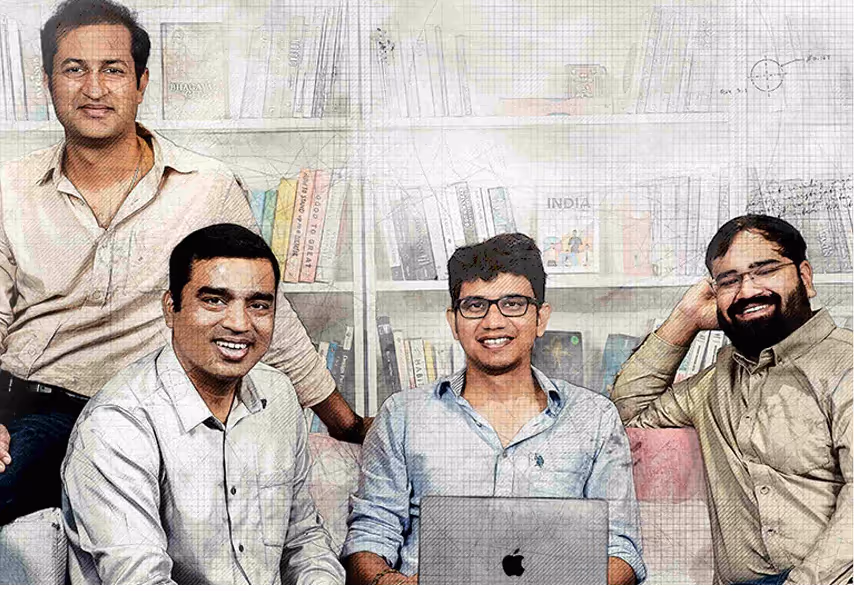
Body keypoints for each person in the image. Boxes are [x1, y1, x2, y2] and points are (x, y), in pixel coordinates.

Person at [0, 0, 367, 526]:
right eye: (74, 69)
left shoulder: (205, 188)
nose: (94, 89)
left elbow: (270, 314)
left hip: (158, 411)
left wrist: (344, 422)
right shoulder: (9, 188)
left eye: (113, 70)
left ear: (141, 83)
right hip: (38, 409)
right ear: (47, 82)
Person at [342, 233, 645, 584]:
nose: (493, 322)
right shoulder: (402, 415)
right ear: (453, 322)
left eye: (513, 304)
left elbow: (621, 550)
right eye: (475, 306)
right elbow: (370, 536)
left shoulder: (594, 418)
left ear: (541, 318)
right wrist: (389, 583)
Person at [61, 224, 345, 584]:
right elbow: (142, 582)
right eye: (214, 300)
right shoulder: (116, 424)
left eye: (258, 305)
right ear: (171, 308)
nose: (239, 324)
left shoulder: (279, 395)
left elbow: (304, 541)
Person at [612, 215, 852, 585]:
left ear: (805, 277)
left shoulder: (845, 364)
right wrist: (686, 320)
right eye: (729, 281)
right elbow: (628, 409)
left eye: (765, 270)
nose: (747, 290)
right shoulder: (714, 382)